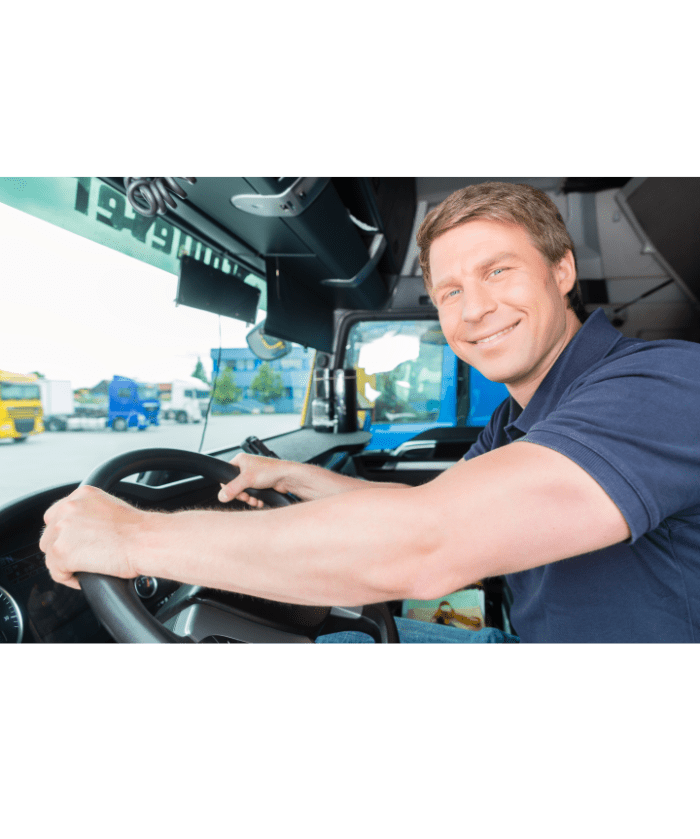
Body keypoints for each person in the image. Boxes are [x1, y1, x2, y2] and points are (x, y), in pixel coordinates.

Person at [40, 182, 700, 643]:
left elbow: (431, 540)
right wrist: (294, 477)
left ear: (561, 271)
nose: (474, 309)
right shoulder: (518, 419)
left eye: (499, 271)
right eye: (450, 291)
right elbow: (431, 506)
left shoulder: (664, 384)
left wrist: (133, 539)